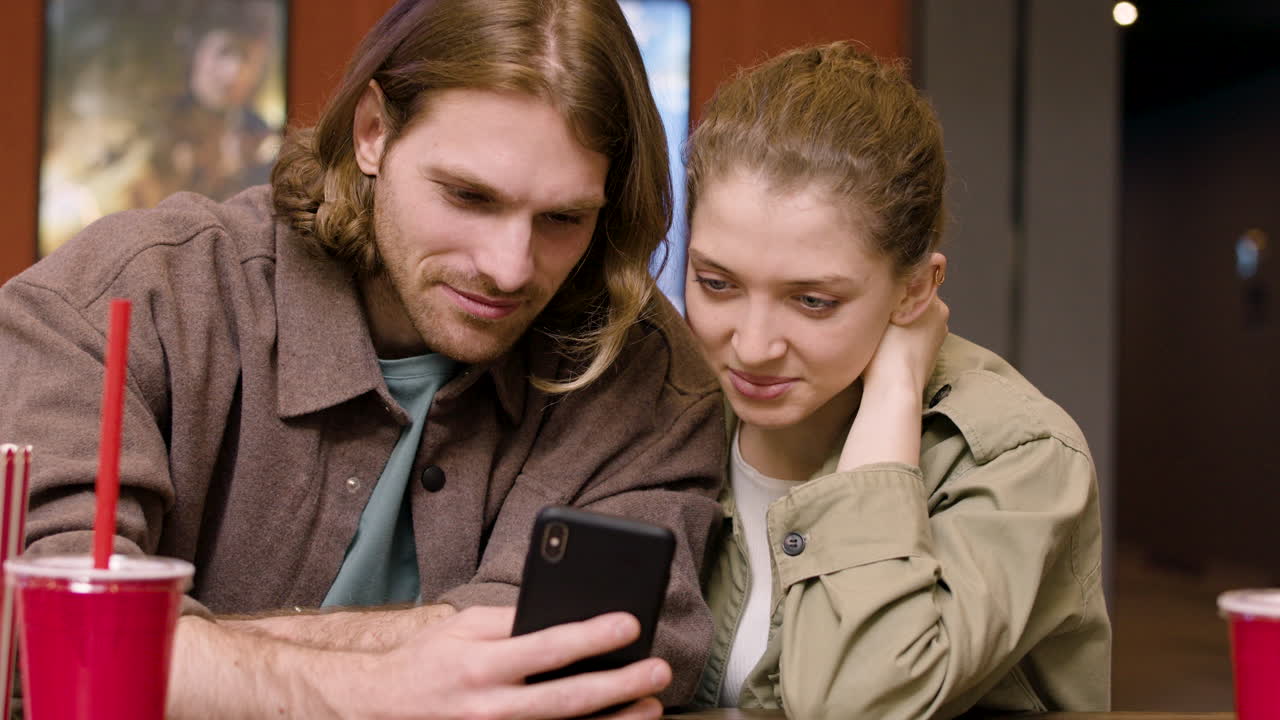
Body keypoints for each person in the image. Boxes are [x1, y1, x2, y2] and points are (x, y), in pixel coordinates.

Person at [0, 1, 725, 718]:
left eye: (563, 218)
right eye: (468, 196)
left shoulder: (648, 374)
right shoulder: (122, 300)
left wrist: (202, 653)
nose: (509, 268)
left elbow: (603, 656)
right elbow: (42, 637)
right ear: (373, 131)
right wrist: (374, 686)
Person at [680, 43, 1111, 718]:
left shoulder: (1020, 459)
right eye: (716, 283)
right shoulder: (668, 416)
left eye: (813, 300)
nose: (753, 347)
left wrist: (893, 393)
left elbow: (863, 702)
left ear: (915, 290)